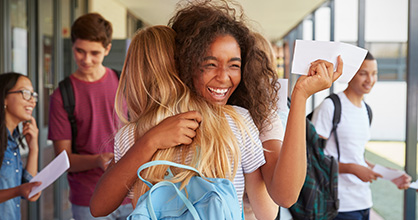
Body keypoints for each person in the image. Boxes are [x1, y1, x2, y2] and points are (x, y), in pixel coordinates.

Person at [91, 0, 342, 218]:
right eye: (210, 64)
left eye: (234, 65)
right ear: (187, 63)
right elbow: (272, 209)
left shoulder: (135, 135)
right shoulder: (235, 122)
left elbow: (99, 207)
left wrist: (300, 97)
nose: (223, 77)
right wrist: (151, 141)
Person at [47, 13, 132, 220]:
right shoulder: (62, 95)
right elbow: (63, 159)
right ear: (72, 46)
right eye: (80, 51)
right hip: (89, 199)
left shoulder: (125, 84)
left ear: (107, 49)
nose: (86, 59)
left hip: (131, 192)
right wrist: (96, 160)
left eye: (94, 53)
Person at [311, 52, 411, 220]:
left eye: (374, 74)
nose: (370, 80)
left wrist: (389, 174)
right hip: (337, 205)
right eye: (363, 73)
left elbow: (357, 157)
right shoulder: (330, 106)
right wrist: (351, 169)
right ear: (350, 74)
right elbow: (313, 158)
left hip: (363, 202)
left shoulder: (366, 110)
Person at [0, 72, 42, 220]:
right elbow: (20, 190)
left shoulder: (13, 140)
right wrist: (18, 191)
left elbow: (30, 190)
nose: (32, 101)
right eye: (25, 93)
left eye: (33, 95)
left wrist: (34, 147)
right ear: (4, 97)